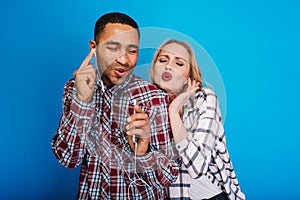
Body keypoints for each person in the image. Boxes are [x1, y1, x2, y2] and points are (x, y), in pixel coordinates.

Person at [51, 12, 179, 199]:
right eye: (113, 48)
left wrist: (143, 153)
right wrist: (83, 101)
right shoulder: (74, 88)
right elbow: (68, 158)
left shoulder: (154, 98)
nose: (124, 60)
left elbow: (169, 176)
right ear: (93, 48)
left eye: (132, 50)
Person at [149, 39, 245, 200]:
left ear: (189, 75)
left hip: (210, 196)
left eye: (179, 63)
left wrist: (174, 111)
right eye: (163, 60)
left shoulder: (205, 99)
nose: (168, 66)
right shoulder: (147, 104)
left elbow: (197, 167)